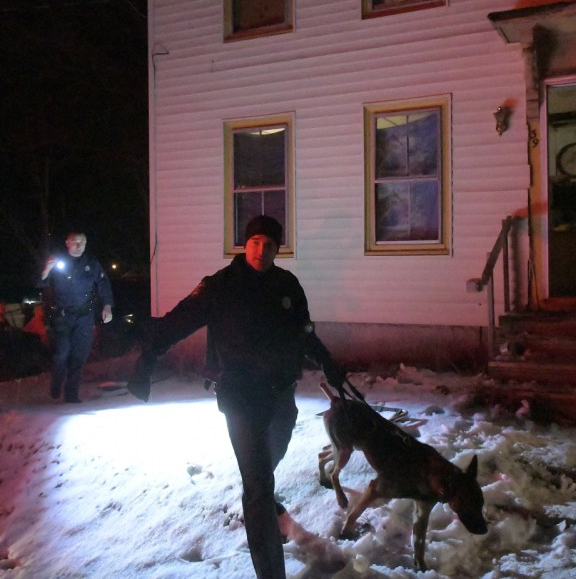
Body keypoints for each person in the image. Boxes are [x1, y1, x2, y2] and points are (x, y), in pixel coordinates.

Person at [127, 215, 346, 579]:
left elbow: (304, 331)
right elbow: (177, 321)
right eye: (256, 242)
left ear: (279, 248)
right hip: (240, 396)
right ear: (245, 244)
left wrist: (328, 361)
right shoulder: (220, 286)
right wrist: (147, 357)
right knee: (259, 488)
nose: (262, 250)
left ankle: (260, 493)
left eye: (270, 244)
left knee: (265, 468)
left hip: (280, 397)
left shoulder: (287, 285)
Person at [39, 231, 113, 403]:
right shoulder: (58, 261)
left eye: (82, 242)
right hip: (63, 317)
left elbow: (103, 283)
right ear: (67, 243)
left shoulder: (91, 263)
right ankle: (56, 382)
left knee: (80, 355)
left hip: (84, 317)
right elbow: (39, 283)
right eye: (75, 242)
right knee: (62, 354)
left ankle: (71, 394)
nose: (78, 245)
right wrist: (46, 269)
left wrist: (107, 306)